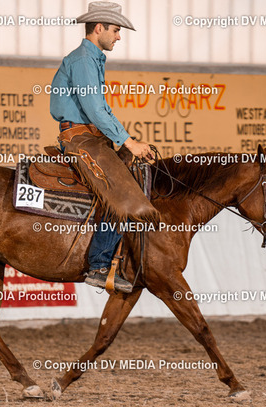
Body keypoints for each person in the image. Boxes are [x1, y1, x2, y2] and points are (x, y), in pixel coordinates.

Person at [50, 1, 160, 293]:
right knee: (121, 190)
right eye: (115, 30)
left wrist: (129, 141)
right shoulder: (84, 60)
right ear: (98, 28)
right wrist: (129, 142)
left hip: (91, 136)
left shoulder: (92, 59)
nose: (119, 37)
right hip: (80, 137)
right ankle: (99, 264)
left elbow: (103, 110)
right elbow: (96, 111)